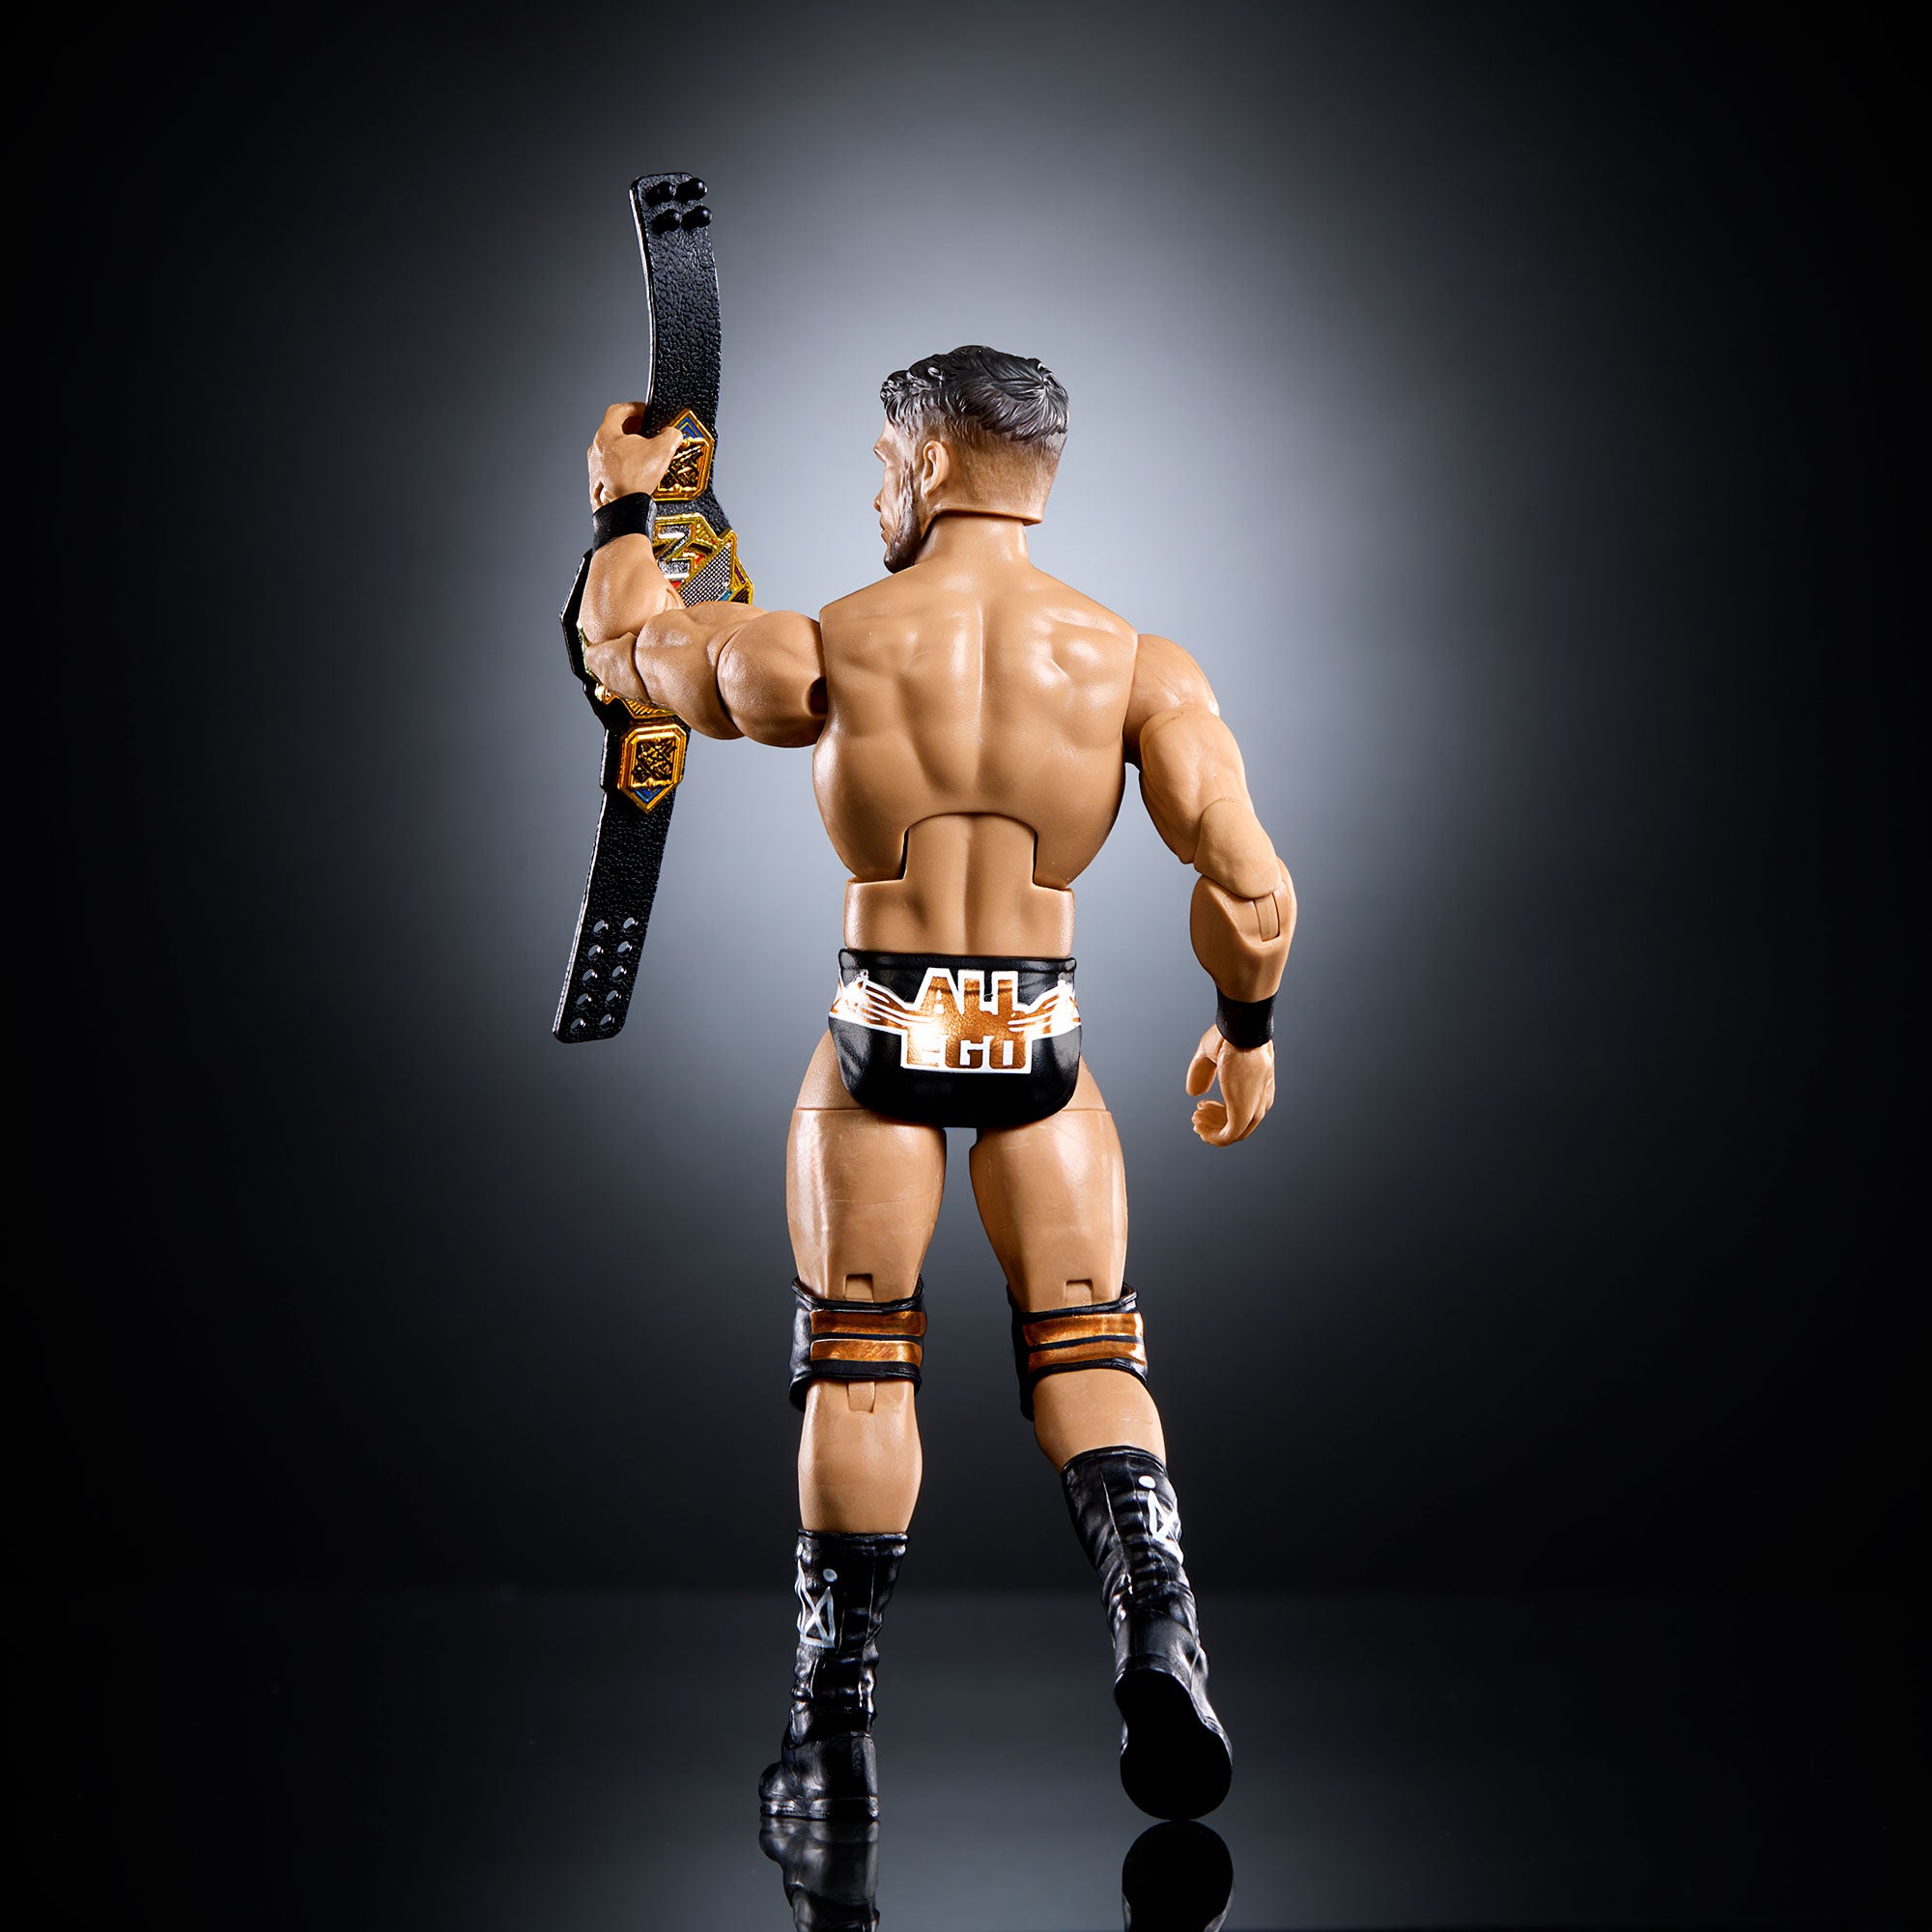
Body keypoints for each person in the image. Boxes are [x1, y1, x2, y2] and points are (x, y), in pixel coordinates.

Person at [579, 346, 1294, 1822]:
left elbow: (627, 657)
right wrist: (1245, 1030)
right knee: (1090, 1349)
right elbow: (1251, 884)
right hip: (1039, 1037)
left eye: (883, 463)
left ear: (931, 462)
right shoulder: (1138, 665)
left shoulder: (827, 647)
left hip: (882, 1031)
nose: (877, 491)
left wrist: (622, 511)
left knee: (858, 1355)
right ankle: (1162, 1636)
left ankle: (832, 1737)